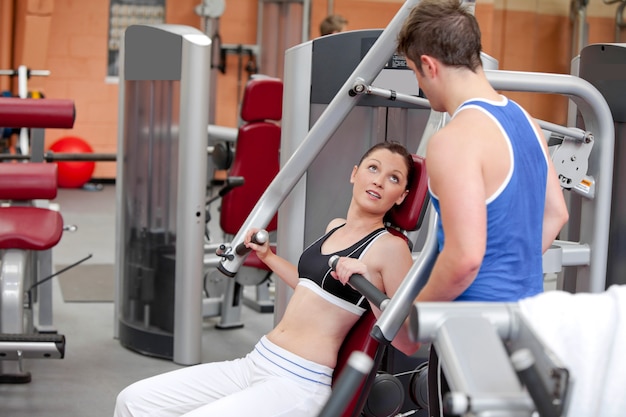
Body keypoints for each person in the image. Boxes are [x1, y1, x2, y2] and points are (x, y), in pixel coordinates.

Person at [113, 141, 416, 417]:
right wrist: (268, 256)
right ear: (354, 174)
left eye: (393, 178)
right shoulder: (336, 227)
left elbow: (407, 341)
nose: (378, 179)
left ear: (401, 196)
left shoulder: (391, 247)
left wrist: (371, 285)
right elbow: (311, 289)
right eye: (373, 168)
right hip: (256, 362)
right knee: (133, 401)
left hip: (299, 382)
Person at [396, 0, 570, 412]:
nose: (420, 86)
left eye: (414, 73)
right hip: (527, 324)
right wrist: (507, 270)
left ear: (429, 65)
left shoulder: (455, 139)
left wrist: (414, 322)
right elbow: (556, 215)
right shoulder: (528, 123)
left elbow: (465, 258)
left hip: (471, 335)